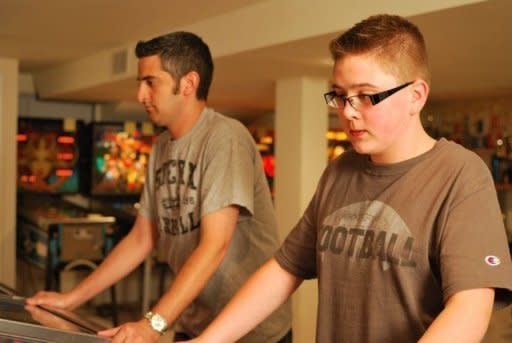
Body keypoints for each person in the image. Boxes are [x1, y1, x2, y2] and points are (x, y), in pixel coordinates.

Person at [185, 14, 512, 343]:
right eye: (340, 96)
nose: (349, 111)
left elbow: (470, 306)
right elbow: (284, 270)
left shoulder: (461, 175)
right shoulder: (339, 171)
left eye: (367, 96)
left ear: (416, 95)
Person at [27, 31, 292, 343]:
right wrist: (71, 299)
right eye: (140, 83)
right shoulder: (161, 147)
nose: (140, 94)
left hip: (251, 331)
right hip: (195, 322)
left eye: (150, 82)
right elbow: (141, 239)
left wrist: (152, 323)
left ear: (188, 84)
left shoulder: (225, 138)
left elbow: (214, 245)